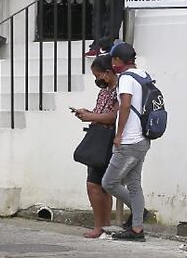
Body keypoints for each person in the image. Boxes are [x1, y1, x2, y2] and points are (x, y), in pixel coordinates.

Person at [101, 42, 150, 241]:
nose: (112, 63)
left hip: (129, 141)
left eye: (113, 59)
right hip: (143, 138)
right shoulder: (143, 74)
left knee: (109, 182)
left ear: (119, 60)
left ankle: (139, 213)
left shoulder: (126, 79)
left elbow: (126, 106)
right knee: (134, 183)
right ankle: (137, 228)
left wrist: (119, 134)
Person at [72, 54, 118, 239]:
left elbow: (112, 117)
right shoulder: (105, 91)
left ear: (107, 73)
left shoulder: (118, 91)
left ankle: (100, 226)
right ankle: (104, 226)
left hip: (106, 140)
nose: (97, 80)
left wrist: (91, 117)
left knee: (94, 184)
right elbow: (102, 113)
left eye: (98, 75)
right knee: (102, 185)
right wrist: (88, 114)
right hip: (99, 137)